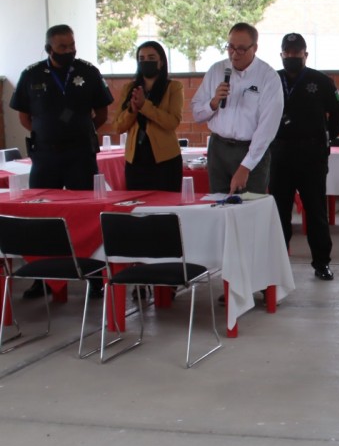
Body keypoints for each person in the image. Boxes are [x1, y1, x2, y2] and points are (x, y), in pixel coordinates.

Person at [10, 24, 113, 299]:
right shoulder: (31, 75)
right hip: (46, 155)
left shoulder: (88, 72)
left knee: (88, 214)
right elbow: (24, 117)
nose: (69, 51)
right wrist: (49, 133)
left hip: (80, 154)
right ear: (49, 49)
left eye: (72, 45)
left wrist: (79, 131)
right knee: (41, 215)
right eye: (62, 47)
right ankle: (43, 278)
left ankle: (94, 276)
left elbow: (102, 113)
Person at [269, 33, 339, 281]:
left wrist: (325, 137)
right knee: (279, 212)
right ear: (281, 54)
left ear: (306, 54)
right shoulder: (271, 80)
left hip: (312, 155)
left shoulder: (321, 81)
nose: (292, 56)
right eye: (287, 52)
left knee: (315, 211)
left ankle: (322, 262)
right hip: (279, 154)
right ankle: (277, 264)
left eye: (296, 52)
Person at [191, 22, 283, 195]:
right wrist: (213, 103)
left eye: (241, 49)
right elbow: (197, 114)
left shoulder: (269, 77)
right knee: (218, 204)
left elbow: (267, 130)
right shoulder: (217, 70)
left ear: (254, 48)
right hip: (218, 148)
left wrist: (245, 167)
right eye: (231, 47)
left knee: (249, 205)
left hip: (250, 150)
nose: (234, 53)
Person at [113, 41, 183, 192]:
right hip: (135, 160)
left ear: (161, 62)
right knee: (137, 204)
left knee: (167, 204)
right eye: (141, 59)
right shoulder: (129, 88)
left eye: (151, 58)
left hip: (166, 160)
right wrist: (132, 110)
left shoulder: (173, 87)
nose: (146, 62)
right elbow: (118, 127)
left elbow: (172, 122)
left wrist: (144, 106)